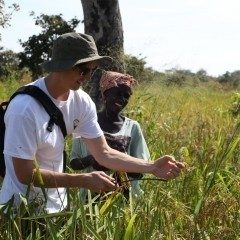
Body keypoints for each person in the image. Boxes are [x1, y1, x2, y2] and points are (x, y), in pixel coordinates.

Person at [0, 32, 185, 214]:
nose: (88, 77)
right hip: (20, 211)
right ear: (61, 66)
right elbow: (25, 174)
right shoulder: (24, 109)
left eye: (93, 70)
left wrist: (151, 166)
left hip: (57, 208)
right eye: (83, 70)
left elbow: (103, 153)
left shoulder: (81, 101)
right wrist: (83, 180)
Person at [70, 71, 150, 201]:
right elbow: (74, 163)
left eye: (126, 96)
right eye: (118, 94)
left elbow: (141, 170)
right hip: (90, 199)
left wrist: (119, 164)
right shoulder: (86, 123)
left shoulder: (133, 127)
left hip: (123, 199)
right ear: (105, 94)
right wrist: (93, 159)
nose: (122, 99)